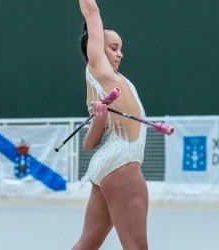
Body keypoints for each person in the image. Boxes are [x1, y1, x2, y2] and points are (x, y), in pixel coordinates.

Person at [72, 1, 149, 249]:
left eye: (121, 49)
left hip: (107, 164)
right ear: (95, 49)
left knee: (87, 244)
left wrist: (101, 120)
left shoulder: (111, 81)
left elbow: (89, 144)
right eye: (114, 47)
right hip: (123, 165)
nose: (120, 53)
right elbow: (92, 12)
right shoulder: (100, 70)